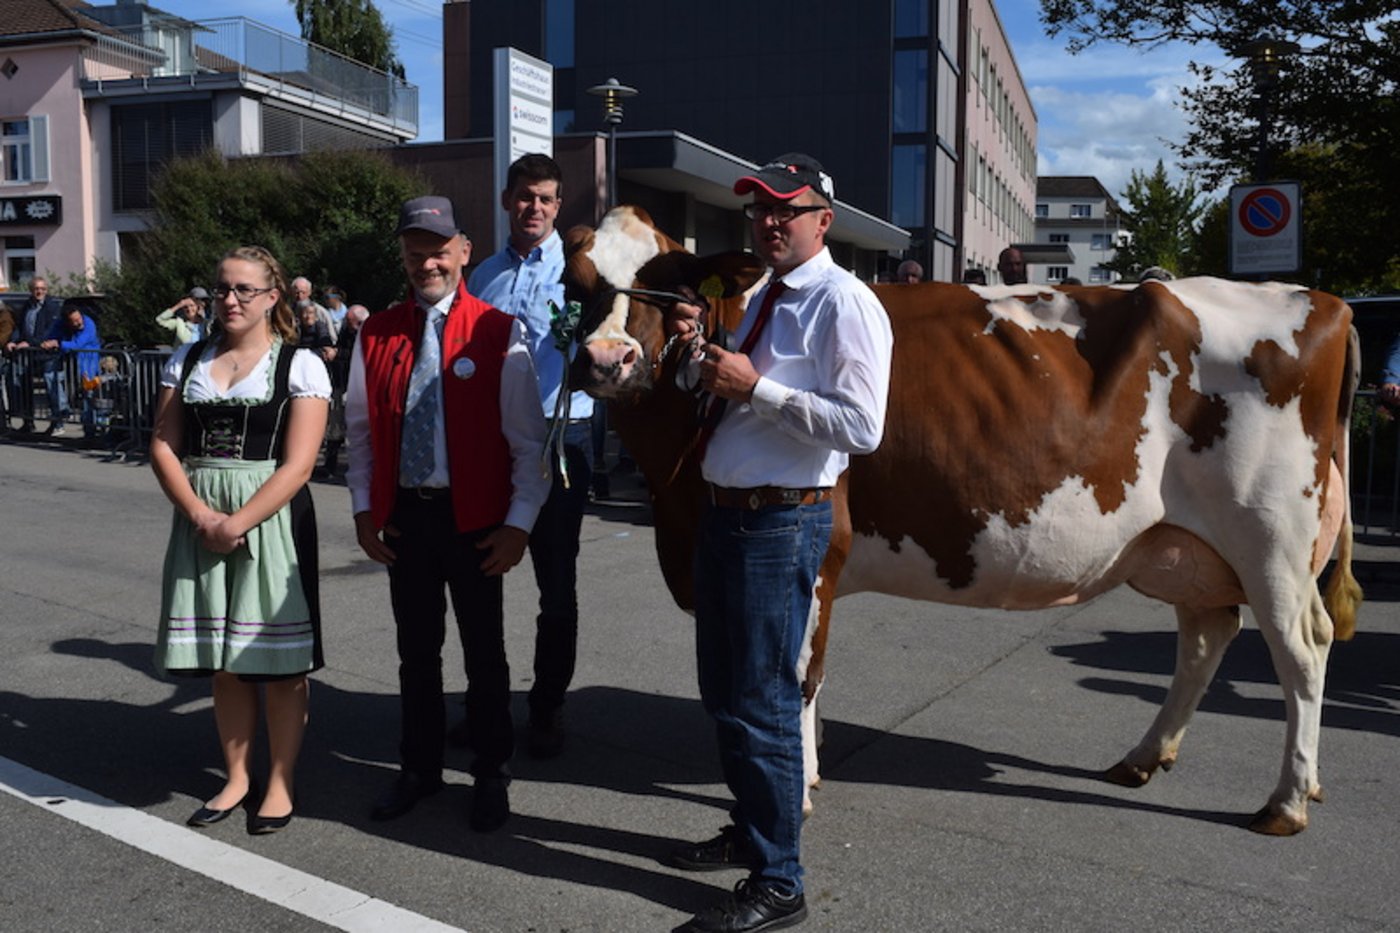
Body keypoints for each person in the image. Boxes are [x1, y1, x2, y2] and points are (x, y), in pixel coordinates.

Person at [665, 154, 893, 932]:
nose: (769, 221)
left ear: (822, 220)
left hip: (779, 520)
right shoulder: (762, 294)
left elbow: (863, 427)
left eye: (786, 209)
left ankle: (780, 881)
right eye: (759, 209)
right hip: (729, 514)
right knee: (724, 691)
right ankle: (754, 831)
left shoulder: (844, 302)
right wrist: (700, 360)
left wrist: (752, 386)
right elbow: (726, 399)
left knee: (762, 699)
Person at [345, 195, 548, 832]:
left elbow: (527, 442)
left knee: (485, 657)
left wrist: (518, 525)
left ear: (463, 251)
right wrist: (361, 510)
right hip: (408, 517)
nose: (425, 262)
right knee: (416, 654)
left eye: (438, 249)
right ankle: (420, 768)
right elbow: (358, 432)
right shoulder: (375, 333)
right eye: (414, 251)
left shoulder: (497, 330)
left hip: (478, 524)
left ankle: (490, 773)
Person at [150, 245, 331, 837]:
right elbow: (163, 445)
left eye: (244, 290)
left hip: (271, 517)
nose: (229, 299)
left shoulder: (299, 365)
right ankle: (236, 776)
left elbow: (299, 464)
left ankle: (279, 780)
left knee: (277, 663)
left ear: (272, 298)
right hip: (200, 517)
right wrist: (202, 514)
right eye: (222, 288)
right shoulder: (189, 358)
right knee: (224, 661)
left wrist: (237, 521)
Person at [464, 152, 592, 758]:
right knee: (478, 579)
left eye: (545, 198)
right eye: (524, 196)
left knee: (555, 586)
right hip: (492, 440)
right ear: (506, 200)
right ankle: (487, 706)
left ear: (558, 206)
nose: (533, 208)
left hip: (561, 439)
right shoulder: (481, 274)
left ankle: (547, 708)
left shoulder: (582, 272)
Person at [7, 277, 63, 432]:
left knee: (51, 386)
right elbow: (20, 328)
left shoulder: (52, 307)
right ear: (31, 290)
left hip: (47, 354)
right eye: (37, 289)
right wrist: (13, 340)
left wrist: (31, 343)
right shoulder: (27, 306)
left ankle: (57, 422)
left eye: (43, 289)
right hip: (29, 354)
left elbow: (49, 331)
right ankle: (28, 421)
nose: (40, 292)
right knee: (22, 385)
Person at [320, 303, 370, 477]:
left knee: (356, 428)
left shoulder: (367, 335)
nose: (347, 325)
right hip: (340, 383)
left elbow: (359, 357)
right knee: (335, 427)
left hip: (356, 386)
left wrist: (337, 353)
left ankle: (358, 467)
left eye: (350, 322)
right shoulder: (346, 332)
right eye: (347, 321)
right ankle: (330, 466)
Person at [40, 303, 101, 437]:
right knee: (50, 376)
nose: (78, 323)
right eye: (74, 321)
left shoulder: (88, 323)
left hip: (88, 361)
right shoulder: (60, 323)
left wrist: (58, 344)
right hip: (68, 359)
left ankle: (89, 430)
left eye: (78, 319)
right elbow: (51, 336)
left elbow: (78, 344)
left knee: (88, 393)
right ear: (67, 321)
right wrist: (50, 342)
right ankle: (62, 410)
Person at [292, 277, 338, 341]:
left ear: (309, 292)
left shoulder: (321, 312)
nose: (300, 296)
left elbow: (332, 338)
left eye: (303, 292)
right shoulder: (287, 312)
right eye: (297, 293)